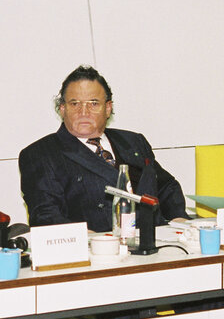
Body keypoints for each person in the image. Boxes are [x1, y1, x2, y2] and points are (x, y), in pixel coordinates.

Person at [19, 65, 188, 231]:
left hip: (155, 244)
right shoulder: (40, 154)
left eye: (93, 103)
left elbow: (166, 187)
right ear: (63, 109)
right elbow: (45, 216)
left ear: (108, 108)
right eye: (75, 103)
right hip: (97, 251)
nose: (83, 111)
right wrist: (84, 237)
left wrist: (178, 219)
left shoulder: (134, 141)